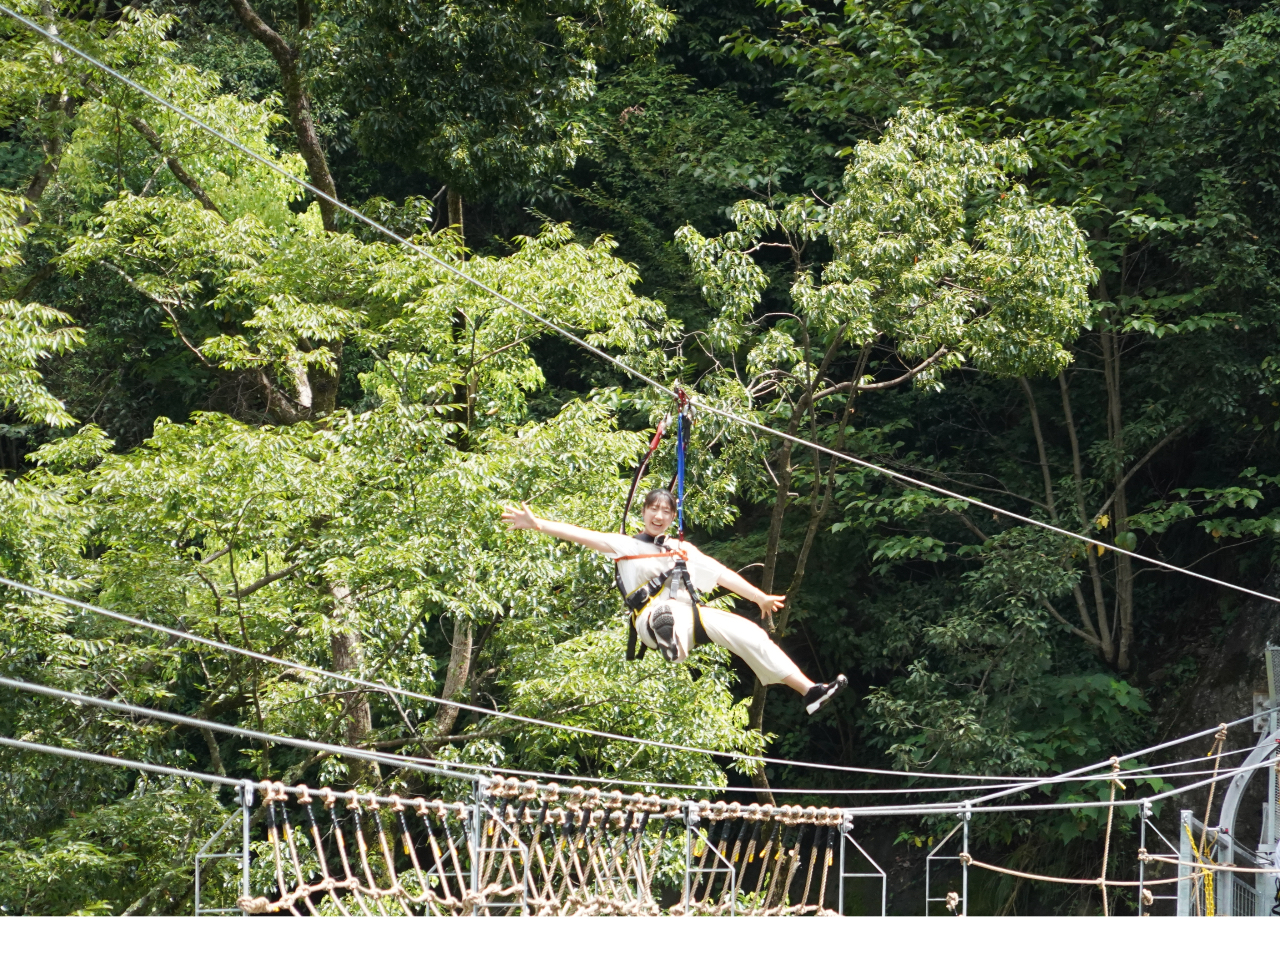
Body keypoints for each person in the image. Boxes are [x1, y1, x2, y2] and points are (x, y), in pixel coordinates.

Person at [501, 489, 847, 716]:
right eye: (653, 508)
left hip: (691, 615)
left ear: (671, 517)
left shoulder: (682, 549)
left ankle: (809, 691)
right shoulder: (624, 544)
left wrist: (759, 598)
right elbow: (581, 534)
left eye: (666, 511)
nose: (659, 515)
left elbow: (722, 573)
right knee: (666, 614)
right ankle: (672, 645)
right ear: (644, 512)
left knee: (751, 634)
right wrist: (538, 525)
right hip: (649, 619)